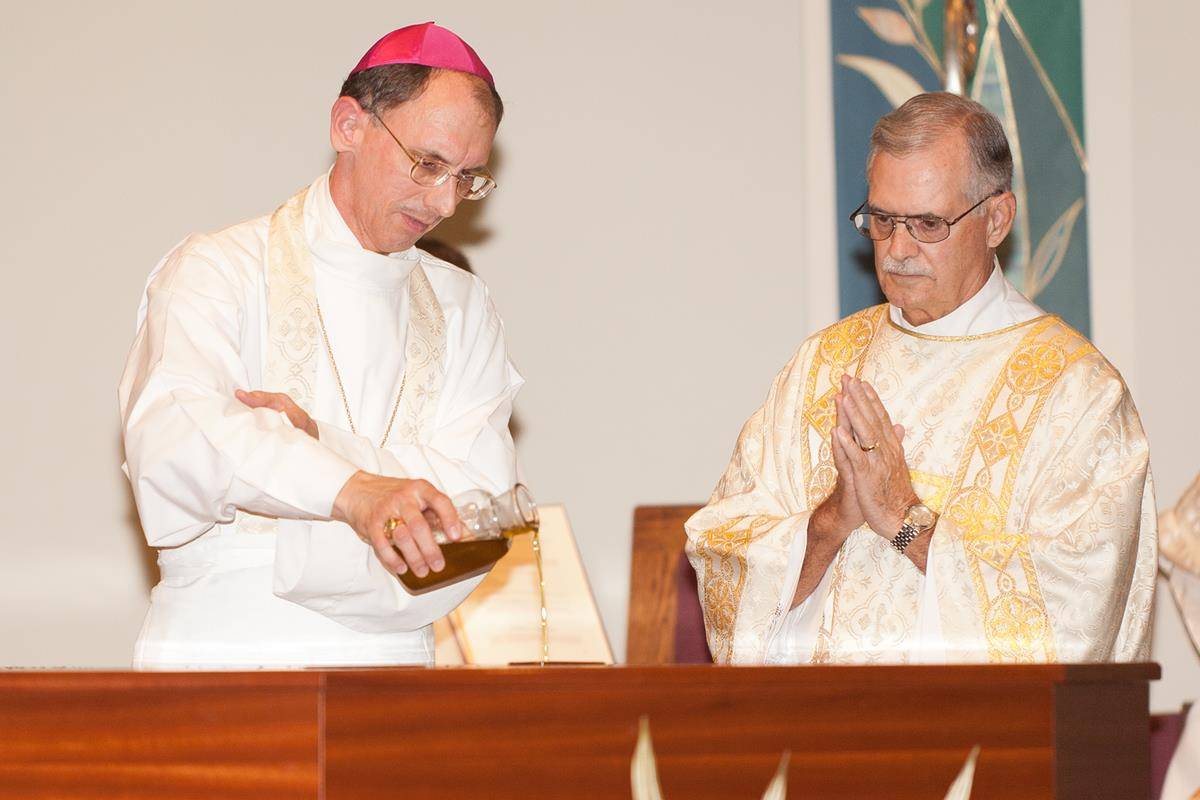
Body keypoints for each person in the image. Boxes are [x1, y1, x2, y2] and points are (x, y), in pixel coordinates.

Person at [686, 92, 1156, 665]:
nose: (897, 250)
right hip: (811, 735)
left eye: (928, 224)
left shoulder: (1077, 394)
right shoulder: (822, 366)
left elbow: (1077, 614)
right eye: (882, 221)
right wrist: (835, 519)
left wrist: (906, 520)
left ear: (996, 219)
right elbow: (721, 550)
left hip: (981, 746)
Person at [118, 23, 523, 668]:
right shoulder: (218, 269)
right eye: (428, 164)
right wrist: (357, 494)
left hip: (396, 665)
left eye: (468, 178)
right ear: (348, 126)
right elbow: (177, 447)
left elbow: (485, 517)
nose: (445, 202)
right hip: (221, 652)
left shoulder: (463, 304)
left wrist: (324, 455)